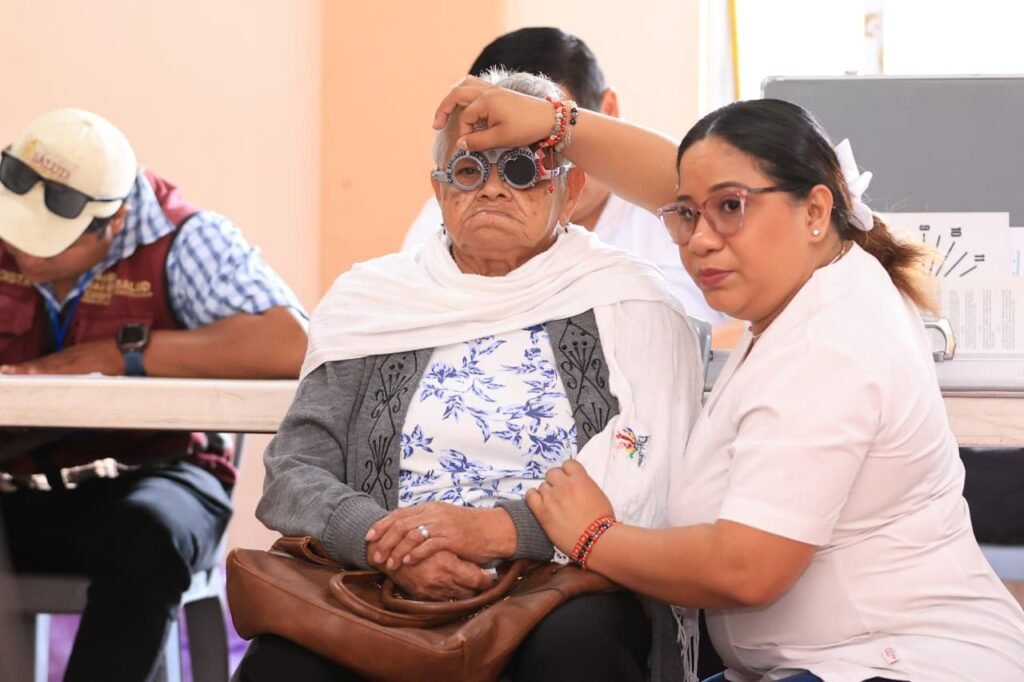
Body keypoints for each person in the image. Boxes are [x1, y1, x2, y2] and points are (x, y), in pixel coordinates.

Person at [406, 82, 1024, 680]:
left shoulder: (830, 343)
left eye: (730, 208)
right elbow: (695, 185)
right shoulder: (821, 275)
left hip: (889, 662)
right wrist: (557, 122)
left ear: (815, 210)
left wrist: (593, 535)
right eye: (686, 215)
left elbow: (745, 569)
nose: (700, 239)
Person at [233, 70, 703, 682]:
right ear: (439, 190)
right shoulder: (372, 301)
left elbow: (647, 468)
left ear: (570, 189)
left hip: (561, 582)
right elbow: (294, 471)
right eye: (468, 169)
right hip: (384, 578)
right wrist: (385, 543)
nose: (493, 189)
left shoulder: (628, 299)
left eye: (522, 170)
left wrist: (498, 532)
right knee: (280, 669)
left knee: (579, 650)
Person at [0, 108, 308, 682]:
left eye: (49, 243)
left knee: (145, 538)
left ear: (113, 221)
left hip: (154, 476)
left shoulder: (187, 239)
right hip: (15, 484)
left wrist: (123, 354)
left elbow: (291, 343)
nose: (25, 252)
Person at [401, 26, 729, 327]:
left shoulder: (667, 228)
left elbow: (705, 192)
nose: (494, 189)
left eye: (524, 163)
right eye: (474, 167)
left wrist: (553, 120)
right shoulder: (448, 222)